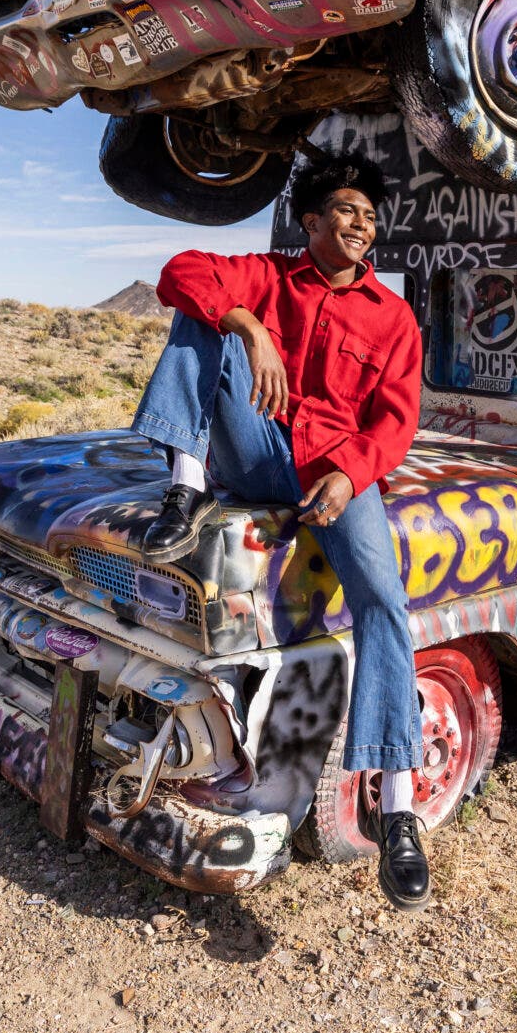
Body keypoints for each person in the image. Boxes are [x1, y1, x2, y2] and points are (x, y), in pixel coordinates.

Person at [127, 150, 431, 909]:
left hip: (335, 473)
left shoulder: (393, 317)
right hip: (260, 454)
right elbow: (181, 270)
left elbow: (395, 422)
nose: (362, 225)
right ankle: (185, 489)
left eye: (369, 215)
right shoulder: (270, 276)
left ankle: (396, 806)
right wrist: (246, 325)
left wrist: (350, 475)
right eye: (346, 211)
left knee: (383, 604)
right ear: (311, 220)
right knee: (201, 315)